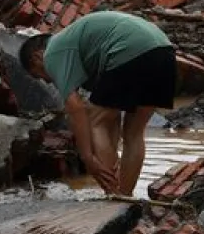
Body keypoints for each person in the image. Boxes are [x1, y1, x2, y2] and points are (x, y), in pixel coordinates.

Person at [20, 11, 176, 196]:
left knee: (95, 121)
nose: (46, 81)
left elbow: (76, 108)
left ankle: (112, 193)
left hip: (130, 50)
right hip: (165, 52)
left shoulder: (53, 51)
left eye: (38, 75)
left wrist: (88, 158)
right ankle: (125, 196)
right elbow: (112, 112)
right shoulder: (84, 49)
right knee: (133, 132)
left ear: (37, 57)